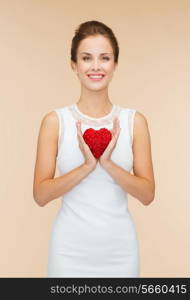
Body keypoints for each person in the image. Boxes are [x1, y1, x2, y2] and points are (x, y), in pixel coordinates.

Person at [33, 20, 155, 278]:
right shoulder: (55, 122)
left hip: (120, 252)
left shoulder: (135, 122)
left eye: (105, 58)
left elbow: (147, 194)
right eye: (87, 58)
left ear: (115, 65)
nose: (96, 66)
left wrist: (108, 164)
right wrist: (87, 166)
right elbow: (41, 195)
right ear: (74, 65)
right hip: (68, 252)